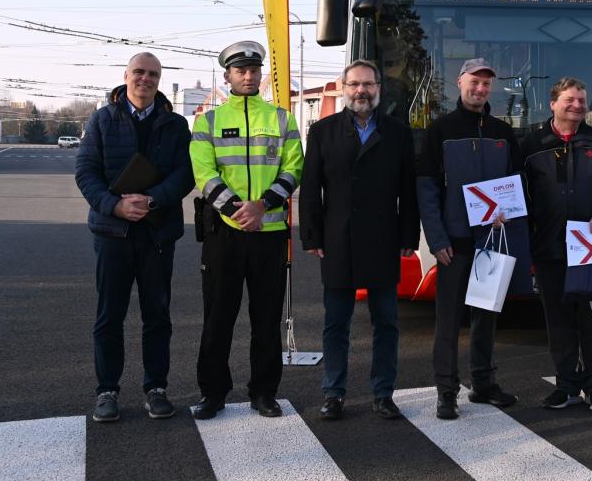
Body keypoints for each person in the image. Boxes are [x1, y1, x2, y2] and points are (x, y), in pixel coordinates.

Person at [75, 52, 194, 423]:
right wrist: (114, 206)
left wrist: (153, 199)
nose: (145, 79)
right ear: (126, 76)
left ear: (159, 80)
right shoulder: (101, 120)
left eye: (152, 74)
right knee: (109, 315)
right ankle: (106, 391)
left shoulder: (175, 125)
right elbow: (85, 172)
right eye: (139, 72)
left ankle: (156, 388)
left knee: (157, 315)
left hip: (157, 233)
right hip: (113, 233)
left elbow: (185, 174)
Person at [189, 41, 304, 420]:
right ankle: (213, 393)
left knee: (266, 319)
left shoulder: (283, 119)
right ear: (228, 76)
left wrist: (262, 206)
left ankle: (264, 393)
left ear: (261, 75)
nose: (248, 76)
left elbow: (294, 169)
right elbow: (204, 174)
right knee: (218, 317)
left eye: (254, 70)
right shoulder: (207, 121)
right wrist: (239, 211)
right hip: (225, 234)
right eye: (240, 71)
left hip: (269, 233)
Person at [299, 60, 419, 421]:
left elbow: (408, 191)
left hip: (383, 238)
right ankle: (333, 392)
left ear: (378, 88)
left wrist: (408, 236)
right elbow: (310, 189)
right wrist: (311, 235)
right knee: (336, 323)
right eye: (354, 84)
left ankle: (383, 393)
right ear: (343, 87)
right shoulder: (323, 131)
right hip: (337, 240)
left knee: (387, 323)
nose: (361, 91)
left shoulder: (398, 132)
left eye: (368, 84)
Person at [416, 58, 523, 420]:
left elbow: (515, 182)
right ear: (459, 83)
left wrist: (509, 210)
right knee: (448, 322)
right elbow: (427, 189)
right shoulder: (440, 130)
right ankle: (446, 391)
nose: (480, 89)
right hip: (454, 245)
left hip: (490, 241)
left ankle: (483, 384)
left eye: (486, 84)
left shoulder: (502, 132)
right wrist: (436, 238)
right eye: (474, 82)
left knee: (486, 317)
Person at [522, 77, 592, 412]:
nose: (577, 106)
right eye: (570, 100)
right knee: (558, 319)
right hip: (550, 247)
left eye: (582, 101)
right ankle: (566, 384)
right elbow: (517, 192)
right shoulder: (531, 145)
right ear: (552, 104)